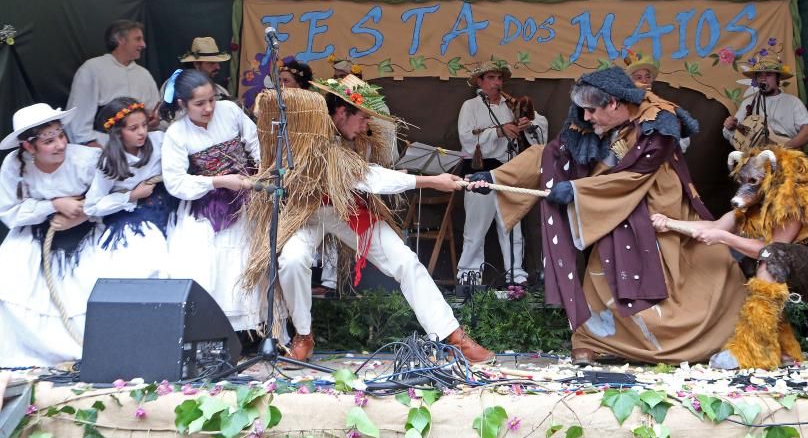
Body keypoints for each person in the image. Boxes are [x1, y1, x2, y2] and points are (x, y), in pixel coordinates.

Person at [466, 67, 745, 365]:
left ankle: (724, 340)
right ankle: (592, 342)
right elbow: (551, 154)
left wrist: (576, 191)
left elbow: (633, 176)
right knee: (602, 282)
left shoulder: (659, 122)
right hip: (608, 210)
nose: (586, 117)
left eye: (591, 110)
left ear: (613, 103)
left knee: (707, 269)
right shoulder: (586, 122)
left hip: (660, 211)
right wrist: (496, 177)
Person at [252, 76, 494, 363]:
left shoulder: (359, 140)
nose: (366, 125)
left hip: (350, 212)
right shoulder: (312, 136)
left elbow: (370, 174)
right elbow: (368, 178)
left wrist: (421, 178)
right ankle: (303, 334)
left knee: (405, 261)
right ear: (342, 112)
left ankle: (453, 337)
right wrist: (430, 181)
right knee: (292, 260)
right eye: (363, 118)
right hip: (308, 212)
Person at [654, 147, 808, 369]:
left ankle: (753, 351)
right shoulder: (751, 207)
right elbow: (713, 227)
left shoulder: (793, 200)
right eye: (743, 181)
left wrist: (724, 238)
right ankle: (781, 350)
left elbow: (770, 249)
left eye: (753, 181)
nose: (745, 188)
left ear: (773, 177)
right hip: (807, 269)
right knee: (749, 267)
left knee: (772, 256)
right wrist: (670, 224)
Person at [0, 104, 103, 366]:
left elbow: (107, 198)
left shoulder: (86, 159)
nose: (60, 144)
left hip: (88, 229)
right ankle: (35, 353)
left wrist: (80, 213)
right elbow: (9, 213)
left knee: (90, 282)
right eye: (49, 141)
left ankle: (90, 349)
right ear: (29, 147)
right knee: (11, 276)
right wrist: (54, 205)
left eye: (60, 135)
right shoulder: (13, 167)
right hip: (35, 231)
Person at [160, 69, 262, 332]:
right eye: (199, 103)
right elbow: (175, 182)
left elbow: (255, 141)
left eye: (211, 100)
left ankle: (254, 328)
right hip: (209, 199)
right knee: (209, 260)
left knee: (252, 255)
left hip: (248, 190)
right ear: (182, 104)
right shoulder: (176, 134)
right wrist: (216, 181)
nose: (208, 108)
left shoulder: (229, 111)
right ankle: (216, 329)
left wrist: (262, 171)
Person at [456, 60, 548, 285]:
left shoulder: (511, 105)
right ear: (480, 81)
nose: (497, 82)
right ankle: (470, 276)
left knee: (512, 225)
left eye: (499, 78)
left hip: (508, 171)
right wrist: (498, 132)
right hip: (480, 170)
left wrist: (530, 124)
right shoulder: (470, 106)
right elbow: (466, 138)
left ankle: (515, 274)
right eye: (491, 78)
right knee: (475, 228)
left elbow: (541, 127)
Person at [84, 97, 177, 279]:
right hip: (132, 216)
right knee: (142, 258)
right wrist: (131, 196)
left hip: (166, 205)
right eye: (133, 129)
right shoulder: (109, 162)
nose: (142, 132)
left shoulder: (159, 141)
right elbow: (92, 206)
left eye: (144, 125)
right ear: (119, 133)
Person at [66, 19, 161, 147]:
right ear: (120, 40)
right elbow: (78, 117)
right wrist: (90, 144)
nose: (143, 45)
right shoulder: (92, 69)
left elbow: (155, 112)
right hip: (104, 145)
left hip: (141, 146)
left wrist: (154, 120)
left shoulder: (144, 74)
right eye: (138, 39)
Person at [722, 43, 808, 150]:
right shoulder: (748, 102)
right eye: (760, 75)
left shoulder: (793, 102)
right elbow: (731, 134)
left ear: (778, 78)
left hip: (787, 157)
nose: (763, 78)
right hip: (756, 157)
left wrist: (783, 150)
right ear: (756, 79)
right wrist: (730, 127)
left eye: (768, 74)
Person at [161, 37, 233, 101]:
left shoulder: (220, 91)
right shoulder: (173, 87)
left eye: (218, 63)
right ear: (197, 64)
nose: (218, 67)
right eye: (211, 63)